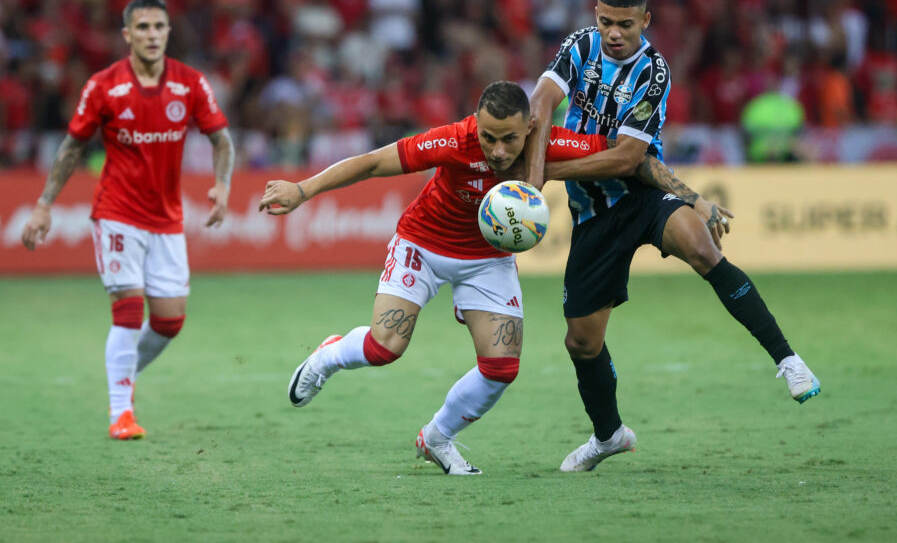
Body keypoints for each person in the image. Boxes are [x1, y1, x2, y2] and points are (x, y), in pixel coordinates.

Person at [258, 80, 722, 475]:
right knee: (384, 349)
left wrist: (696, 199)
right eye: (488, 138)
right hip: (424, 243)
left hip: (487, 259)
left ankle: (437, 438)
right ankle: (327, 357)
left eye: (510, 140)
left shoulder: (549, 142)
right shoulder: (451, 141)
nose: (498, 151)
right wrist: (303, 189)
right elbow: (374, 162)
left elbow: (632, 157)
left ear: (530, 130)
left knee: (502, 368)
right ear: (475, 125)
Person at [524, 0, 821, 473]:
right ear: (594, 15)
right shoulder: (579, 46)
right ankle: (609, 436)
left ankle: (788, 359)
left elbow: (627, 158)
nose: (613, 33)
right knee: (581, 342)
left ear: (645, 21)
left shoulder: (654, 72)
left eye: (624, 24)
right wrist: (532, 182)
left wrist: (548, 173)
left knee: (704, 250)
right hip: (593, 215)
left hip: (641, 194)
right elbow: (539, 103)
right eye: (605, 21)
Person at [21, 0, 235, 441]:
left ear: (168, 32)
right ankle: (121, 411)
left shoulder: (190, 83)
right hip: (117, 213)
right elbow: (72, 147)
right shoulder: (103, 86)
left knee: (169, 321)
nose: (152, 35)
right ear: (127, 36)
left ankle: (120, 376)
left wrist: (222, 184)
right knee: (128, 310)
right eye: (143, 28)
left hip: (167, 218)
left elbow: (222, 140)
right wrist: (44, 204)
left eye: (159, 26)